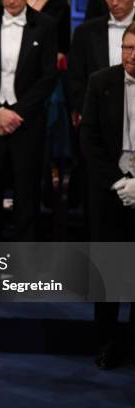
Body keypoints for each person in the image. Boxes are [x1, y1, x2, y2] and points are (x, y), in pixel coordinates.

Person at [0, 0, 57, 241]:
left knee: (27, 193)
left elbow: (48, 76)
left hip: (27, 122)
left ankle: (26, 259)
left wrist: (16, 113)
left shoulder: (45, 25)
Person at [80, 21, 135, 370]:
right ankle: (106, 344)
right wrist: (118, 182)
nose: (130, 55)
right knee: (110, 274)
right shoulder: (101, 82)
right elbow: (89, 139)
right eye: (127, 48)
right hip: (109, 192)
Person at [70, 0, 133, 129]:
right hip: (98, 122)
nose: (114, 3)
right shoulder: (84, 32)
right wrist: (89, 113)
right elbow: (75, 79)